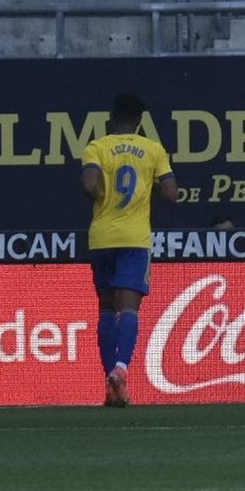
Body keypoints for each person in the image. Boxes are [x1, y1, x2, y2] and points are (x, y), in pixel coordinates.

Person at [80, 93, 177, 407]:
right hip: (135, 238)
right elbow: (171, 193)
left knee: (107, 309)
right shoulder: (152, 149)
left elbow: (88, 185)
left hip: (102, 237)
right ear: (140, 120)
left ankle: (111, 383)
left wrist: (100, 193)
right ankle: (121, 369)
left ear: (111, 118)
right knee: (130, 309)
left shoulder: (97, 147)